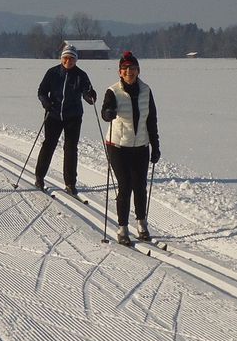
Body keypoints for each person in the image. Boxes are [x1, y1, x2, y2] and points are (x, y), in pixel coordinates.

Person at [100, 51, 160, 246]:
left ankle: (142, 224)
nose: (129, 72)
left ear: (138, 70)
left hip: (141, 146)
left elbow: (151, 120)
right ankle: (122, 228)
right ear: (120, 72)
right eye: (125, 69)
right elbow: (105, 112)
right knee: (125, 187)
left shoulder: (146, 90)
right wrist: (109, 113)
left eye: (132, 68)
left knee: (140, 187)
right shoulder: (113, 91)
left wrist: (155, 145)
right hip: (117, 146)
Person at [35, 44, 96, 195]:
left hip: (73, 117)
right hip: (53, 115)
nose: (68, 61)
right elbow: (42, 91)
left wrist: (90, 96)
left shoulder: (81, 75)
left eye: (72, 58)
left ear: (76, 60)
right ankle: (39, 177)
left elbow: (87, 93)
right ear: (62, 58)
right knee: (48, 145)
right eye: (66, 58)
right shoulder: (53, 72)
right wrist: (45, 102)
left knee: (70, 149)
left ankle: (70, 183)